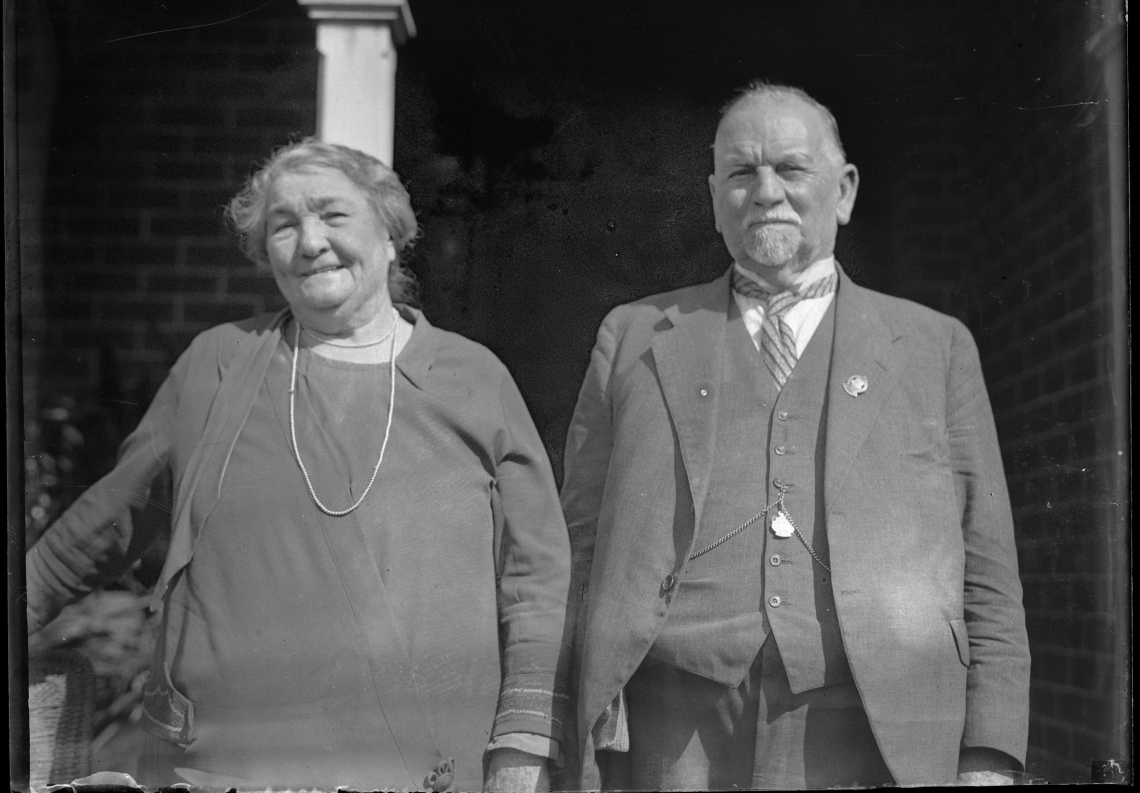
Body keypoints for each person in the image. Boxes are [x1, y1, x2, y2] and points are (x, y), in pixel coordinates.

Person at [26, 140, 570, 792]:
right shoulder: (217, 364)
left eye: (332, 216)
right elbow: (93, 534)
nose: (309, 241)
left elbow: (536, 577)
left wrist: (521, 749)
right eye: (284, 225)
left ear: (392, 234)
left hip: (419, 772)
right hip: (217, 769)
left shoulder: (472, 378)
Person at [559, 83, 1031, 789]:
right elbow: (580, 550)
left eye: (791, 168)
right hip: (674, 728)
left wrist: (991, 752)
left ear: (842, 192)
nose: (766, 191)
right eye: (742, 173)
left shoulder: (935, 348)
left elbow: (988, 569)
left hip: (868, 727)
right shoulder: (632, 338)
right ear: (715, 196)